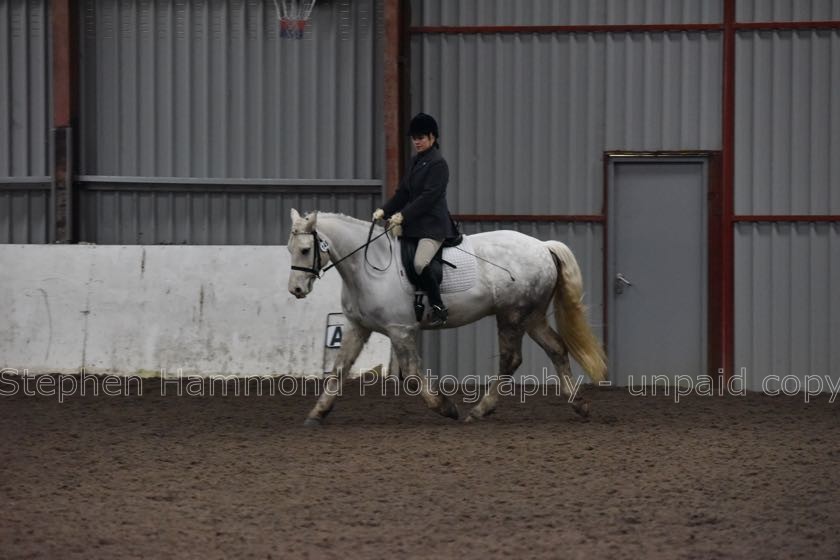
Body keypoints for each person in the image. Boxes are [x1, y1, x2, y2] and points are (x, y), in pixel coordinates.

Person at [373, 112, 457, 327]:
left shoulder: (439, 164)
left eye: (421, 137)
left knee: (420, 262)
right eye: (415, 138)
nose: (417, 142)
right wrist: (384, 210)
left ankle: (438, 306)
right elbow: (403, 193)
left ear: (432, 137)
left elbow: (428, 198)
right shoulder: (413, 162)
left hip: (432, 227)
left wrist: (403, 215)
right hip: (412, 226)